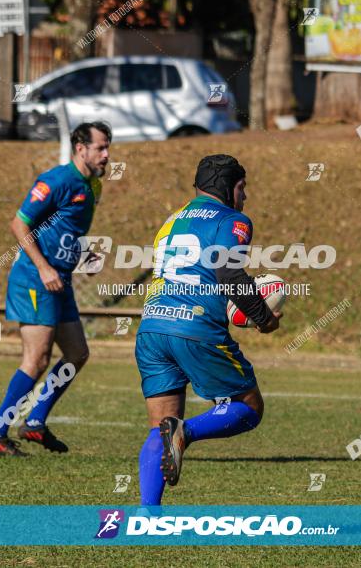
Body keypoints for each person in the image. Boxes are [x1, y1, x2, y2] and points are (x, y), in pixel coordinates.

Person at [135, 154, 281, 507]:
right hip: (194, 327)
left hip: (152, 327)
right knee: (248, 407)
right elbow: (229, 274)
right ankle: (187, 432)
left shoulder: (171, 222)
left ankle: (148, 519)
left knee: (160, 428)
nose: (244, 197)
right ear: (230, 187)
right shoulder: (234, 221)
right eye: (242, 188)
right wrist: (263, 317)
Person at [0, 122, 111, 456]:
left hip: (61, 281)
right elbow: (19, 223)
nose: (107, 155)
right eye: (100, 147)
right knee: (37, 359)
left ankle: (35, 422)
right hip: (34, 280)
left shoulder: (93, 187)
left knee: (77, 354)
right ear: (80, 148)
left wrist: (82, 254)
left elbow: (62, 231)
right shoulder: (55, 180)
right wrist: (43, 266)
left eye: (108, 147)